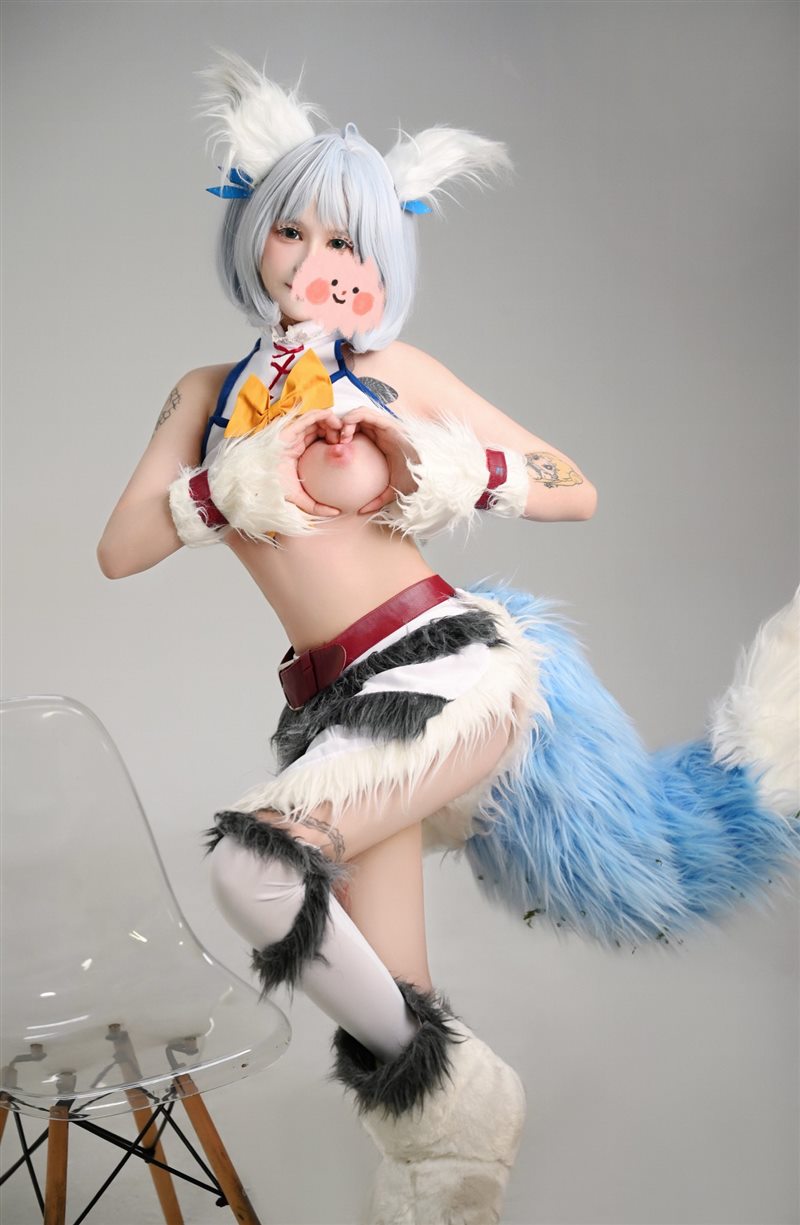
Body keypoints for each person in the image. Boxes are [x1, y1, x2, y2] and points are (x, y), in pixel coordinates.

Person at [97, 50, 799, 1225]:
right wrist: (230, 481)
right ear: (253, 233)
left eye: (346, 242)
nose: (316, 262)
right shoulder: (204, 392)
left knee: (254, 867)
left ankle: (466, 1089)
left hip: (446, 673)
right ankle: (444, 1159)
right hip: (334, 706)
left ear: (382, 262)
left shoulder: (392, 372)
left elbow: (570, 483)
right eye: (293, 233)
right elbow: (121, 549)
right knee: (391, 991)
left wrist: (433, 464)